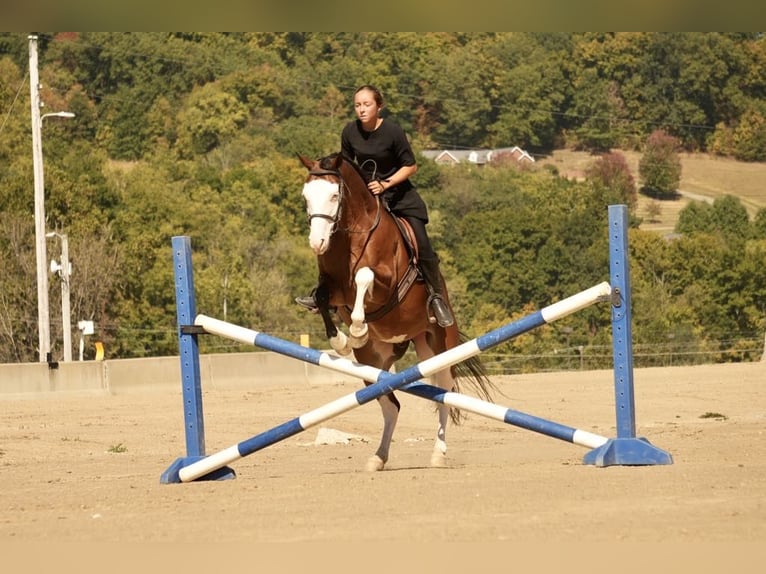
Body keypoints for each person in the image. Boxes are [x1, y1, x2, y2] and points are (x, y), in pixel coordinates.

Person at [296, 84, 454, 327]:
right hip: (367, 198)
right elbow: (345, 166)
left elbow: (411, 166)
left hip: (399, 197)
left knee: (422, 244)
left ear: (379, 106)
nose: (361, 109)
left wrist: (385, 184)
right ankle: (323, 292)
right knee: (335, 237)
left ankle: (435, 297)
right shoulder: (349, 131)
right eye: (357, 105)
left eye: (367, 104)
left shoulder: (392, 131)